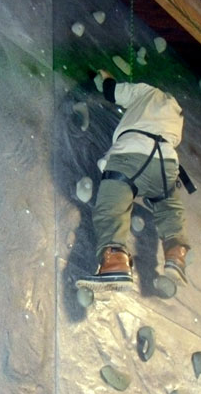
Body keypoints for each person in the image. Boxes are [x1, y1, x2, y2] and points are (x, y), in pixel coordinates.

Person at [77, 69, 191, 292]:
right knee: (168, 207)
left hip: (132, 151)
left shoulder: (147, 91)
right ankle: (176, 253)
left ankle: (115, 261)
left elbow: (112, 92)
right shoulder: (178, 113)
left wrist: (106, 77)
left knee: (113, 208)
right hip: (166, 161)